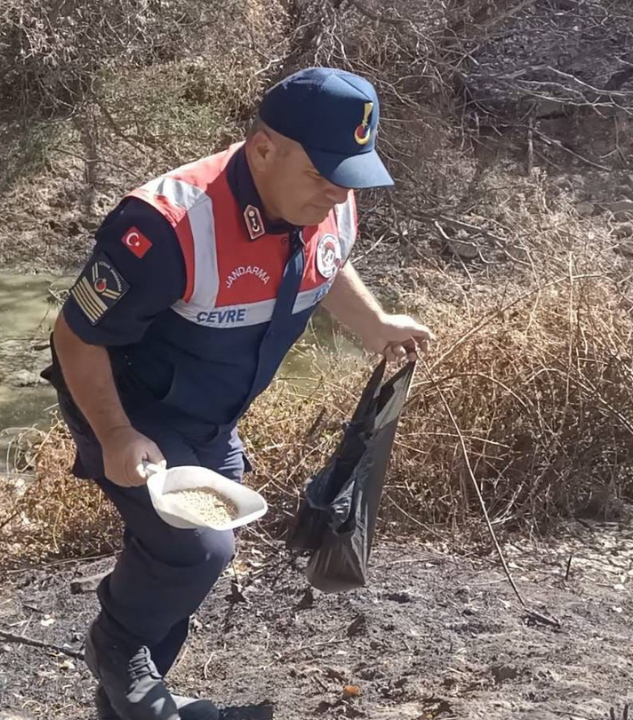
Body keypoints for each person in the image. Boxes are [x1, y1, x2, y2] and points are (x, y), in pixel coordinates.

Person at [42, 67, 434, 720]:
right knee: (197, 548)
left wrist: (376, 325)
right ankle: (113, 644)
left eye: (350, 177)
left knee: (184, 575)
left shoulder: (329, 200)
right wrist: (114, 435)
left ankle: (131, 707)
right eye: (322, 175)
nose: (338, 195)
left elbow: (325, 262)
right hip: (127, 409)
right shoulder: (166, 226)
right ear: (262, 149)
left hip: (212, 416)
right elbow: (75, 338)